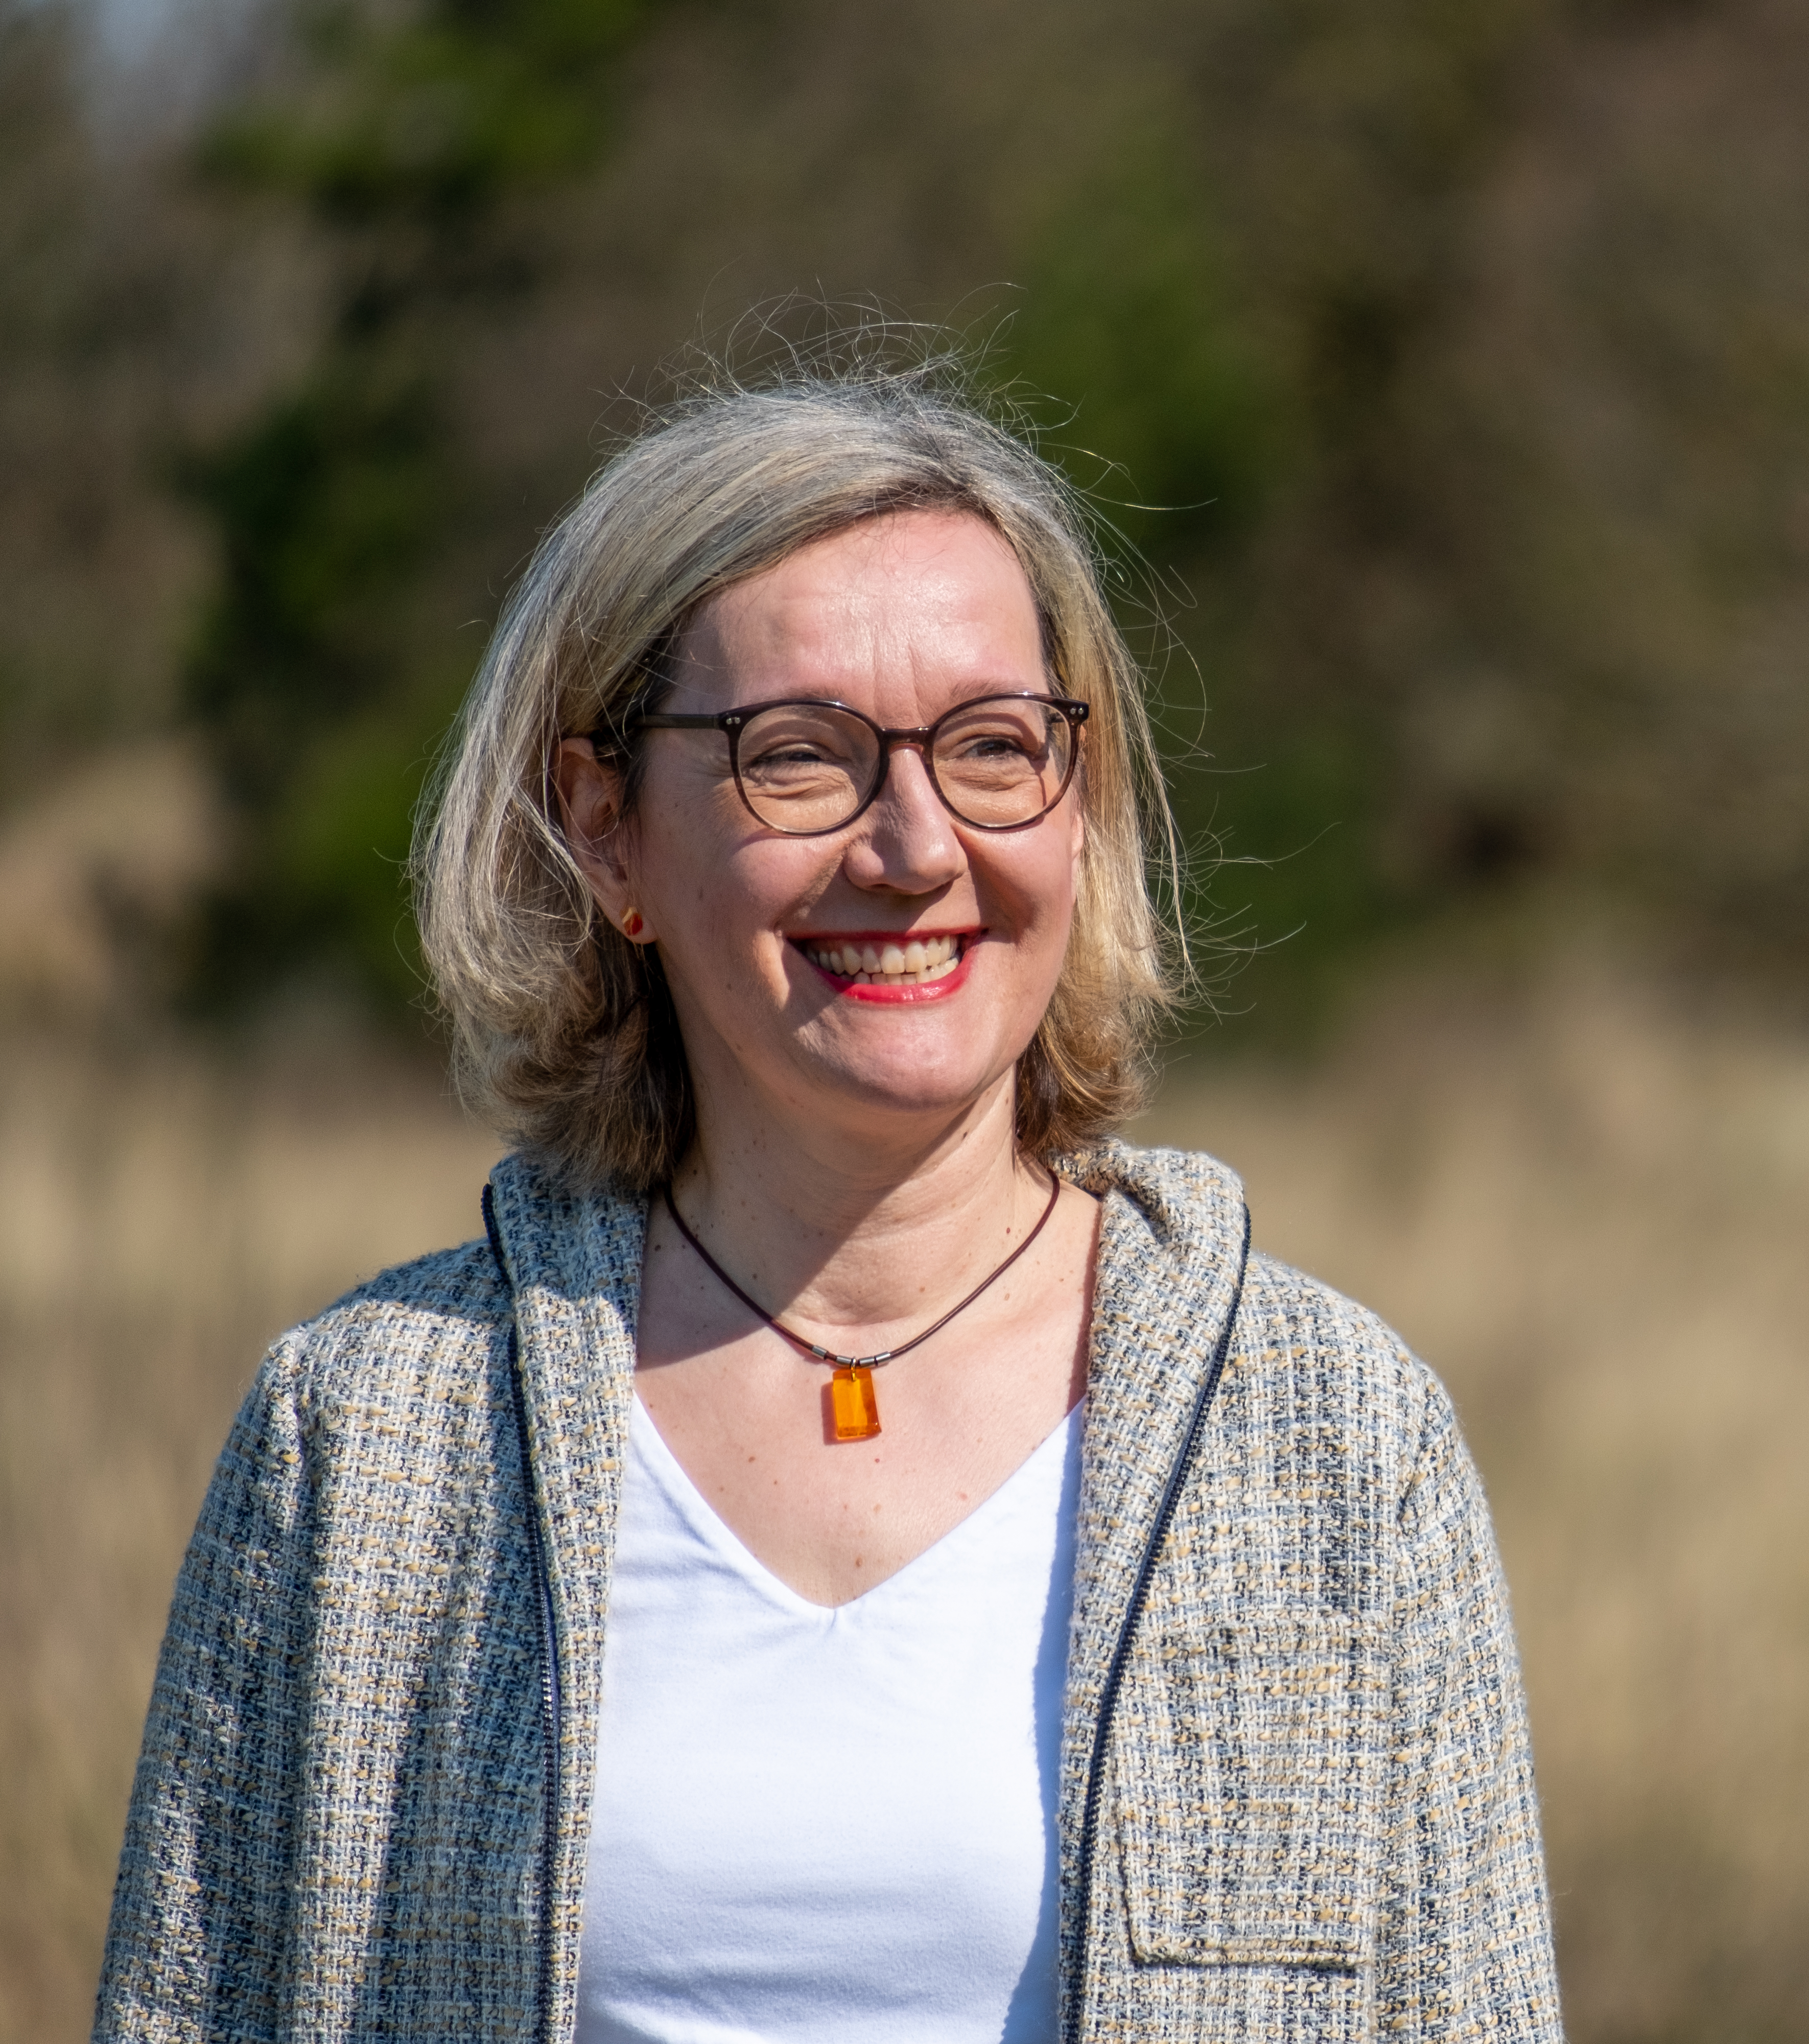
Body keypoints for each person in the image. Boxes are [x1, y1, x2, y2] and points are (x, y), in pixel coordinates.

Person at [95, 371, 1562, 2044]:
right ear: (606, 830)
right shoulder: (359, 1445)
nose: (917, 846)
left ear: (1079, 813)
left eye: (995, 748)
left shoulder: (1336, 1438)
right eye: (799, 759)